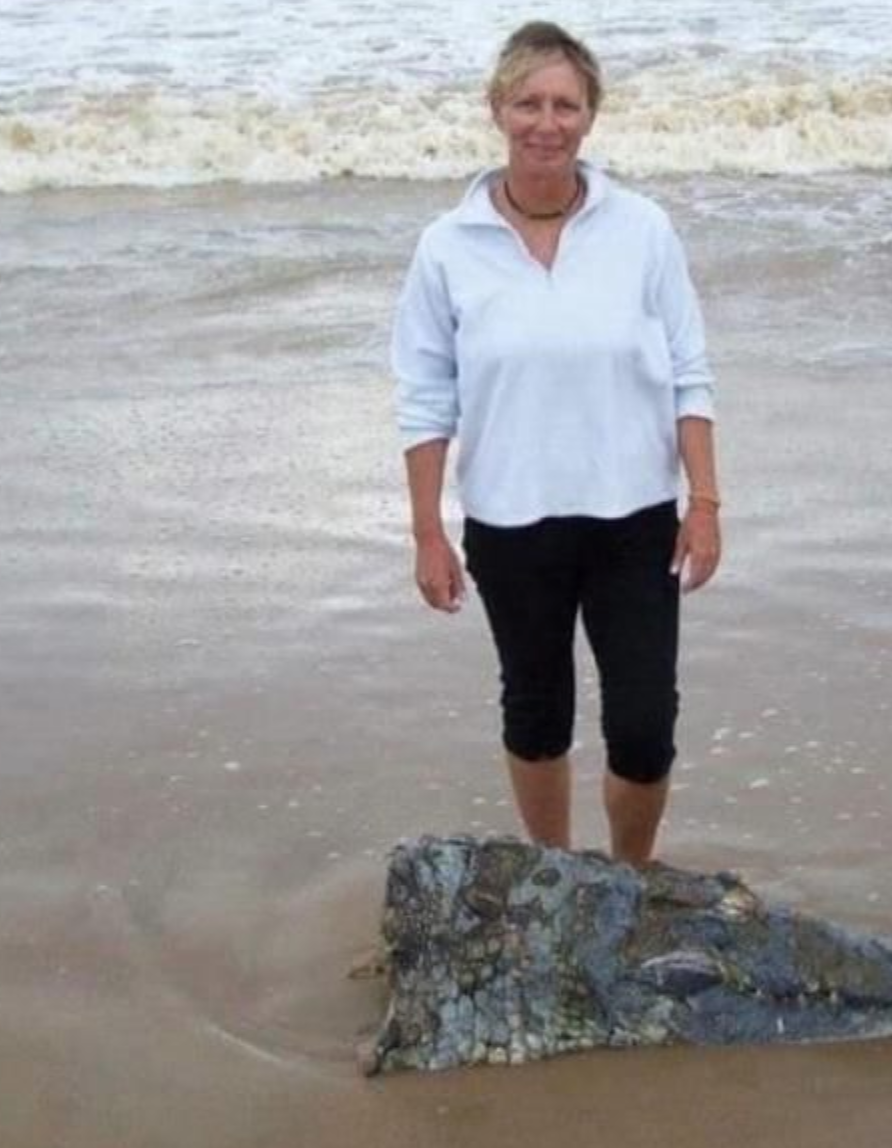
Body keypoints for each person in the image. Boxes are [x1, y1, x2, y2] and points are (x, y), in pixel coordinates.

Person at [390, 21, 721, 866]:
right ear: (496, 109)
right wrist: (427, 532)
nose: (547, 123)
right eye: (528, 103)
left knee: (643, 727)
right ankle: (559, 875)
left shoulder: (641, 229)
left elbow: (689, 373)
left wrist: (705, 503)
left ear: (589, 116)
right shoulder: (446, 247)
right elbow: (425, 399)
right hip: (510, 520)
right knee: (536, 715)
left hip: (634, 517)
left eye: (565, 105)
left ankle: (629, 878)